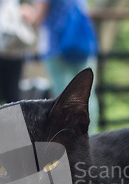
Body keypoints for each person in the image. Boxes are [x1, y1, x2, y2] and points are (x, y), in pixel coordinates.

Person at [21, 0, 100, 134]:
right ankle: (90, 135)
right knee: (88, 95)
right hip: (83, 44)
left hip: (56, 47)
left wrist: (25, 12)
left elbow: (38, 15)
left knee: (63, 96)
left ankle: (71, 137)